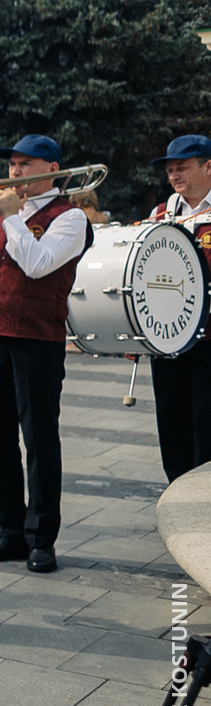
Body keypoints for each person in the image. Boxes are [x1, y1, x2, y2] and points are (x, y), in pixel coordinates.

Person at [0, 135, 89, 575]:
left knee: (39, 438)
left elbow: (38, 264)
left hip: (36, 339)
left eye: (25, 164)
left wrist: (11, 219)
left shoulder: (70, 217)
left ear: (52, 169)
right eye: (12, 165)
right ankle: (9, 529)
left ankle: (41, 538)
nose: (15, 172)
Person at [146, 134, 211, 481]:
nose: (173, 175)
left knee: (207, 426)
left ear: (208, 167)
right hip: (168, 339)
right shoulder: (161, 213)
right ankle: (177, 497)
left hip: (209, 339)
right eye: (170, 169)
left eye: (182, 167)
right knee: (172, 426)